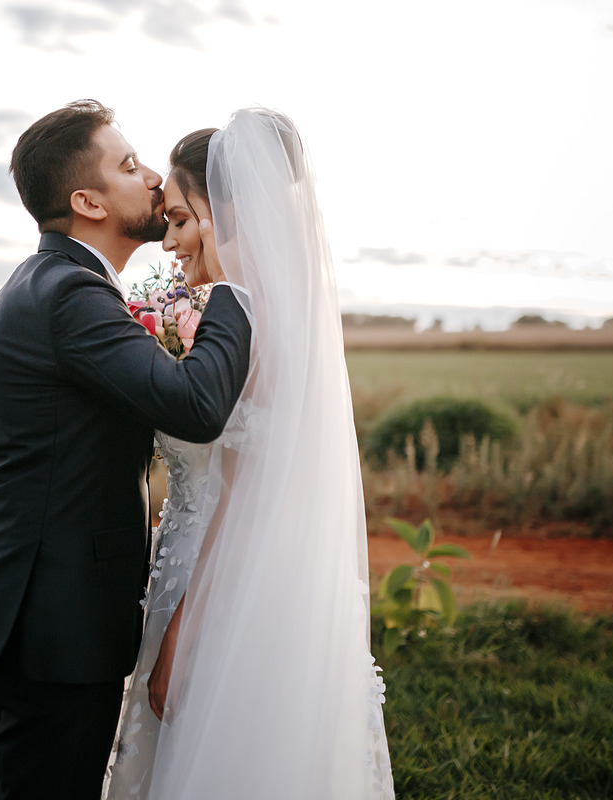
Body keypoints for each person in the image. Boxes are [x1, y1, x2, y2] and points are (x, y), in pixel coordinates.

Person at [0, 99, 252, 800]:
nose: (152, 180)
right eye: (128, 164)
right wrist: (233, 289)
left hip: (19, 605)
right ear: (86, 201)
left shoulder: (44, 283)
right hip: (52, 622)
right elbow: (197, 406)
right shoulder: (70, 296)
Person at [103, 109, 394, 799]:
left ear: (217, 213)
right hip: (238, 568)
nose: (168, 241)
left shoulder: (243, 320)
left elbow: (239, 494)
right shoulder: (256, 312)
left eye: (178, 219)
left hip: (225, 582)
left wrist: (181, 636)